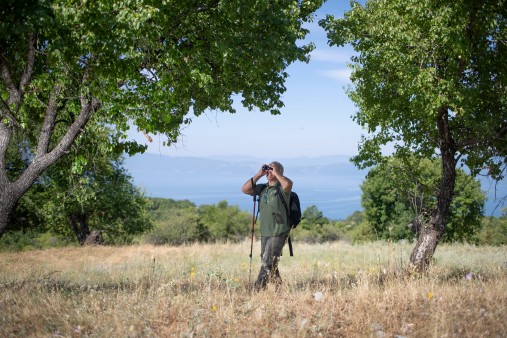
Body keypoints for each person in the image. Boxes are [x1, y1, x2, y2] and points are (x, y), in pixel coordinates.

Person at [241, 161, 293, 290]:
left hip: (279, 230)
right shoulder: (263, 188)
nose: (269, 172)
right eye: (268, 170)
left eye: (272, 170)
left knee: (267, 261)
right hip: (265, 231)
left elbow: (288, 184)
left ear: (279, 171)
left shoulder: (282, 188)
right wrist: (259, 173)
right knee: (271, 262)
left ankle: (257, 289)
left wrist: (276, 173)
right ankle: (279, 288)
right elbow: (245, 189)